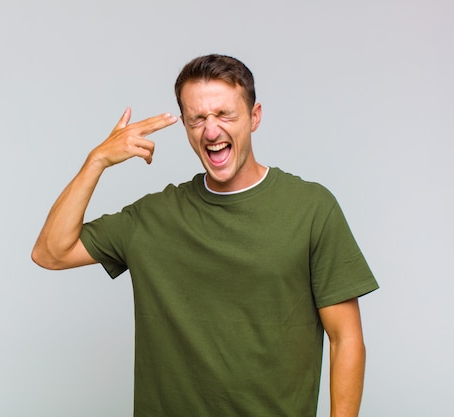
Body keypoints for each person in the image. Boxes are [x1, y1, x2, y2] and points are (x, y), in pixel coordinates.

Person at [32, 54, 378, 417]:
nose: (211, 132)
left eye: (224, 114)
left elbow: (346, 340)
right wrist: (96, 161)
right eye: (197, 119)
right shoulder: (153, 217)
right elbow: (51, 252)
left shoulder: (311, 209)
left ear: (254, 117)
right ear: (185, 125)